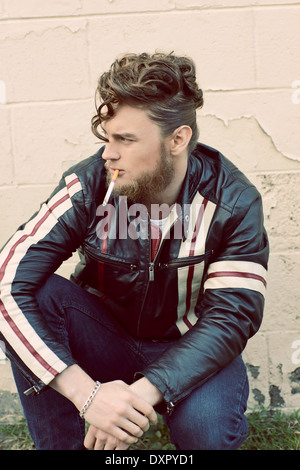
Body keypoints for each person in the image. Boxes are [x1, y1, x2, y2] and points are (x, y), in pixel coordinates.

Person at [0, 52, 269, 450]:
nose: (109, 153)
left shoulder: (233, 201)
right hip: (105, 340)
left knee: (208, 431)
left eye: (125, 140)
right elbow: (6, 282)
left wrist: (140, 394)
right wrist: (87, 396)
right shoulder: (90, 184)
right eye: (108, 138)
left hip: (189, 345)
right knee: (35, 293)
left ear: (177, 139)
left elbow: (232, 316)